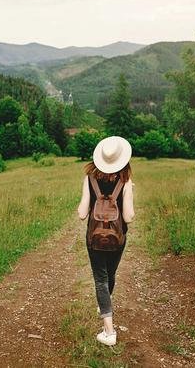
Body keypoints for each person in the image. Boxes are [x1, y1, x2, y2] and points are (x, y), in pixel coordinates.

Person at [77, 135, 135, 346]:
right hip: (117, 239)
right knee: (109, 275)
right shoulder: (126, 181)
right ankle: (106, 317)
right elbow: (128, 217)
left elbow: (82, 213)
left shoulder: (89, 179)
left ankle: (108, 329)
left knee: (100, 279)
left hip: (94, 239)